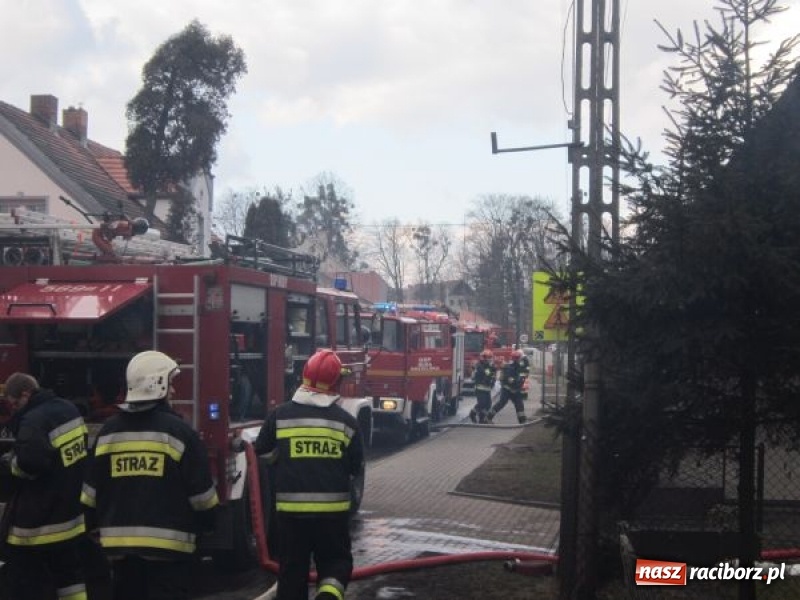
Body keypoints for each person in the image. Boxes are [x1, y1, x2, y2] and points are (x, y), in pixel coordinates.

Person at [80, 351, 219, 600]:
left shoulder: (108, 432)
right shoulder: (179, 433)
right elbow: (203, 500)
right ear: (158, 385)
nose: (174, 392)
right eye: (171, 384)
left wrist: (96, 530)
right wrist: (206, 529)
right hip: (170, 555)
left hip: (119, 552)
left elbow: (89, 496)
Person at [255, 349, 365, 600]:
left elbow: (262, 453)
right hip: (332, 515)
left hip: (291, 516)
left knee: (291, 573)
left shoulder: (279, 416)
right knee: (336, 564)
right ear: (335, 383)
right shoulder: (346, 422)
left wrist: (282, 461)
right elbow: (355, 467)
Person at [1, 372, 89, 600]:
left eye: (14, 403)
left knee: (26, 582)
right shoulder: (69, 409)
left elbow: (30, 464)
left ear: (25, 394)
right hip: (71, 519)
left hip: (38, 525)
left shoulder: (34, 420)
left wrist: (11, 462)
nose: (14, 410)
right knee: (71, 579)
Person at [485, 349, 528, 424]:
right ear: (516, 358)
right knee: (501, 403)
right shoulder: (509, 367)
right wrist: (517, 381)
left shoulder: (519, 367)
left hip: (515, 390)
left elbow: (522, 376)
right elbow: (510, 379)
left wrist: (520, 381)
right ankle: (488, 417)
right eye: (519, 358)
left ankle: (522, 421)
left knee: (519, 404)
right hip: (507, 389)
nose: (520, 360)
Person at [468, 349, 497, 424]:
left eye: (490, 358)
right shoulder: (480, 366)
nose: (490, 359)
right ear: (483, 358)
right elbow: (486, 374)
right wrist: (492, 370)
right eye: (488, 358)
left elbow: (492, 376)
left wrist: (493, 373)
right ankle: (472, 414)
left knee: (488, 404)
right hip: (480, 388)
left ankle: (482, 419)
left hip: (487, 388)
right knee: (481, 403)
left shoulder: (488, 366)